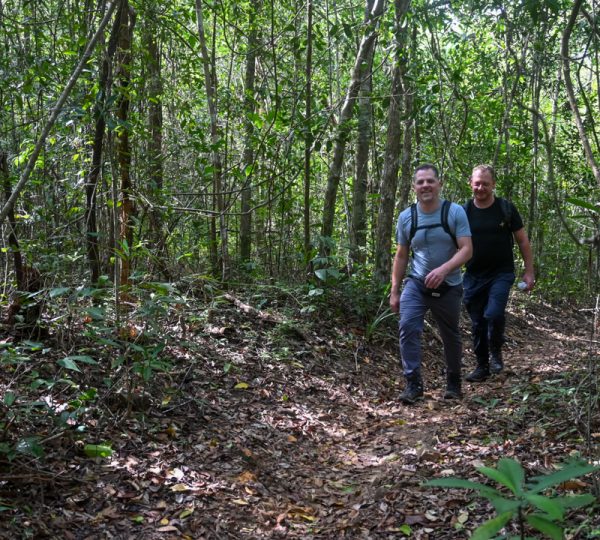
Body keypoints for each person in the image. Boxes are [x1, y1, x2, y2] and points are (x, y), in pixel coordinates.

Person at [390, 164, 472, 404]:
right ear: (414, 187)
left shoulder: (454, 212)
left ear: (439, 184)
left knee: (450, 333)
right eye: (420, 182)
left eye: (430, 181)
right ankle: (413, 384)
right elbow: (402, 255)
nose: (425, 186)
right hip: (416, 284)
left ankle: (454, 383)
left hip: (449, 284)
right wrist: (395, 290)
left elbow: (467, 249)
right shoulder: (407, 217)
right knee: (407, 327)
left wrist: (444, 269)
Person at [463, 164, 535, 382]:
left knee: (493, 313)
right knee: (477, 323)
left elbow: (522, 240)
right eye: (477, 183)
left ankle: (496, 352)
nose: (481, 187)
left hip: (501, 273)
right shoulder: (463, 211)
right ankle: (482, 365)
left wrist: (529, 271)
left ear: (493, 184)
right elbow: (453, 243)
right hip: (473, 275)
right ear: (470, 184)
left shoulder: (506, 208)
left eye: (485, 183)